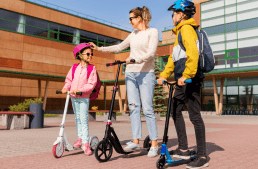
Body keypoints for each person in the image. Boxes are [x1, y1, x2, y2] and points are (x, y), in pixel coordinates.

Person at [88, 6, 159, 157]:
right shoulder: (132, 34)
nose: (130, 21)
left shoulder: (153, 32)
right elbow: (119, 47)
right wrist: (99, 49)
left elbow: (151, 53)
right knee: (133, 107)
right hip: (131, 73)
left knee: (147, 109)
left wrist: (136, 60)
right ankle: (135, 141)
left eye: (131, 18)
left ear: (139, 18)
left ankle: (154, 143)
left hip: (146, 73)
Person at [156, 0, 209, 168]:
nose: (172, 17)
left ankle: (202, 155)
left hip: (190, 79)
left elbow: (192, 54)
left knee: (194, 115)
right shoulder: (179, 32)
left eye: (173, 14)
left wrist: (187, 75)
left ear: (180, 15)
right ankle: (184, 148)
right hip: (182, 79)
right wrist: (164, 75)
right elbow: (173, 58)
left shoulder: (186, 29)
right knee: (175, 109)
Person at [62, 43, 98, 156]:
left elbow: (91, 84)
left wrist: (80, 90)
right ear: (80, 55)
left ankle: (86, 143)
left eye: (91, 54)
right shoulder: (74, 68)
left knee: (83, 119)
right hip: (73, 97)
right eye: (88, 53)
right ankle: (80, 138)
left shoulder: (91, 68)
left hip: (83, 98)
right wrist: (65, 88)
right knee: (77, 118)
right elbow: (69, 80)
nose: (90, 56)